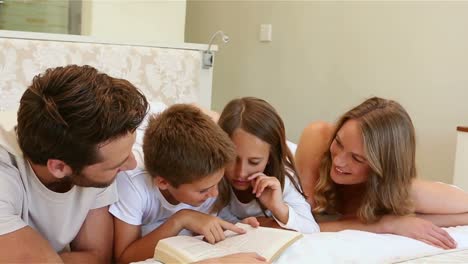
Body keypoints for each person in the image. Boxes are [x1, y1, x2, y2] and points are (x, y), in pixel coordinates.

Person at [0, 65, 149, 262]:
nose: (131, 164)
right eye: (116, 165)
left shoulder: (90, 161)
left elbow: (97, 257)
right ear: (59, 167)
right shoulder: (6, 173)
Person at [295, 96, 468, 249]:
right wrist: (386, 224)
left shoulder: (407, 191)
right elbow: (300, 223)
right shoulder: (318, 137)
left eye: (357, 158)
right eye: (339, 143)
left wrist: (403, 222)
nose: (338, 161)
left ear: (384, 167)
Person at [110, 104, 264, 263]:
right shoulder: (133, 185)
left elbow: (213, 218)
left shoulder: (207, 177)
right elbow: (124, 258)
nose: (215, 194)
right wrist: (181, 219)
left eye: (218, 183)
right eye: (204, 190)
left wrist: (237, 227)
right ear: (163, 182)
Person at [214, 97, 319, 233]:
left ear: (270, 157)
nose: (241, 172)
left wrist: (278, 207)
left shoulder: (284, 181)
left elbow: (313, 230)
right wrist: (239, 224)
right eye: (232, 159)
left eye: (254, 162)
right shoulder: (212, 176)